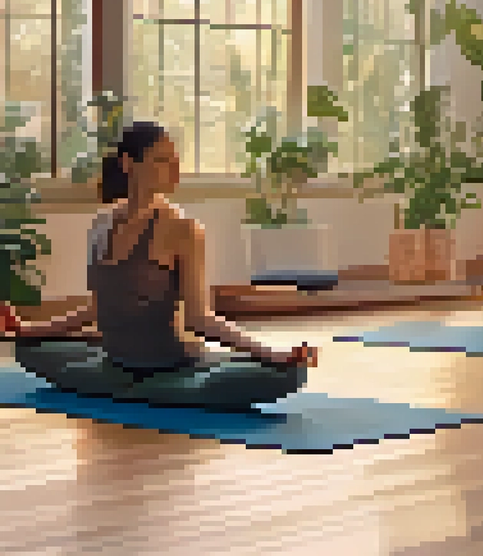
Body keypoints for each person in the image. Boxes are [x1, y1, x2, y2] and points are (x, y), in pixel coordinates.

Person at [0, 122, 317, 412]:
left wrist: (270, 353)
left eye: (175, 159)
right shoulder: (100, 224)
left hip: (173, 363)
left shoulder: (183, 228)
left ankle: (211, 374)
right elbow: (99, 309)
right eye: (162, 160)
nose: (175, 169)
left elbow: (199, 317)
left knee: (287, 374)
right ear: (128, 164)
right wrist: (26, 329)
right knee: (27, 349)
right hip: (116, 361)